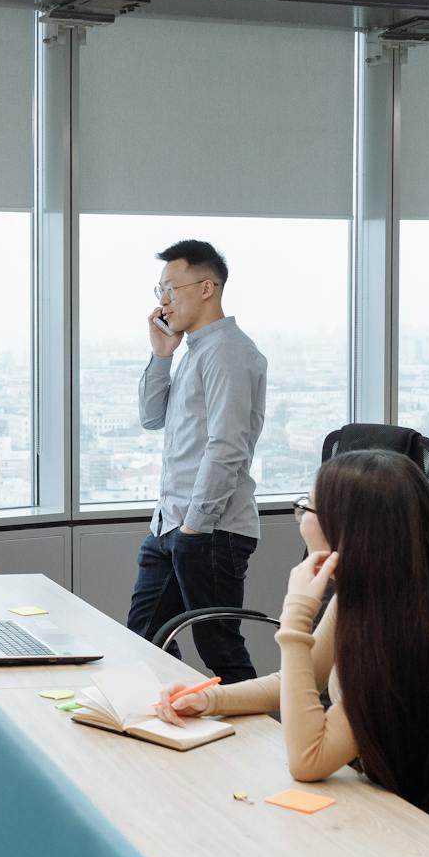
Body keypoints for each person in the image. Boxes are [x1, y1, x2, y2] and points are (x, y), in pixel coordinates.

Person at [155, 448, 429, 815]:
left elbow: (309, 759)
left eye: (306, 508)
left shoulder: (410, 635)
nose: (300, 519)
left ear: (349, 529)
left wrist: (295, 618)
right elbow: (297, 680)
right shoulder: (370, 597)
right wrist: (210, 701)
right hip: (380, 802)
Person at [126, 239, 268, 682]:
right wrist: (161, 355)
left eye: (171, 289)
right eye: (160, 292)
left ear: (207, 288)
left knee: (218, 647)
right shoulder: (194, 353)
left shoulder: (229, 352)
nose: (164, 301)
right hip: (170, 525)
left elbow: (227, 446)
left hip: (209, 530)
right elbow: (152, 418)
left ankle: (263, 747)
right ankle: (187, 722)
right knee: (144, 636)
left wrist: (194, 527)